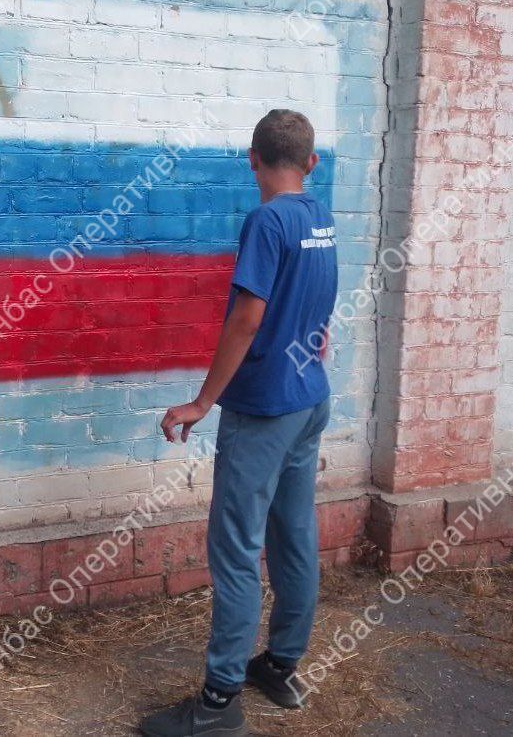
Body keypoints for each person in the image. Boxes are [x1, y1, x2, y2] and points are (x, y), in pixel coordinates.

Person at [140, 110, 339, 737]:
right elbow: (318, 301)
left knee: (234, 553)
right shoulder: (320, 217)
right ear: (310, 164)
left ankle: (219, 704)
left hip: (264, 411)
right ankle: (280, 666)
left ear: (252, 159)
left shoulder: (267, 220)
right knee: (293, 534)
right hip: (309, 402)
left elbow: (247, 319)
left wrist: (202, 403)